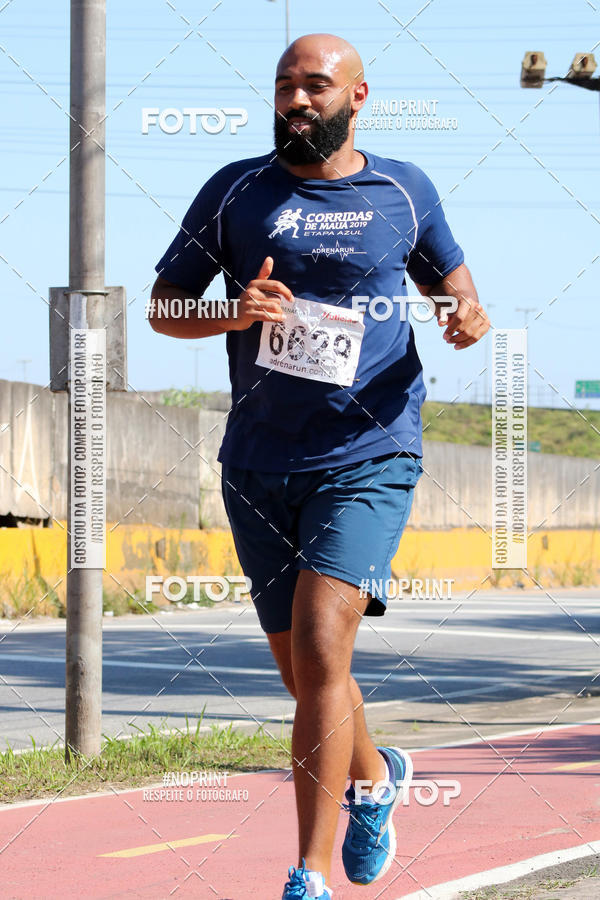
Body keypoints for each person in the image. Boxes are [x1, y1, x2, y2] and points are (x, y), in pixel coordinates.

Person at [150, 32, 489, 900]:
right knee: (307, 674)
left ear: (358, 97)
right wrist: (230, 311)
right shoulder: (234, 191)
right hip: (260, 458)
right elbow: (163, 307)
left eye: (315, 86)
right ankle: (376, 779)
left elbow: (453, 278)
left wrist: (464, 315)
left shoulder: (403, 189)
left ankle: (308, 871)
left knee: (322, 644)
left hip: (369, 449)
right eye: (284, 86)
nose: (296, 101)